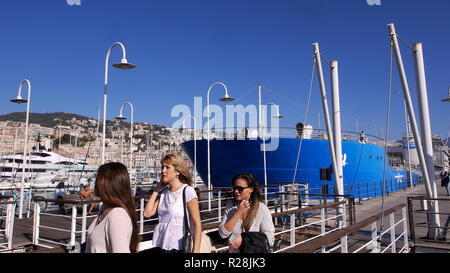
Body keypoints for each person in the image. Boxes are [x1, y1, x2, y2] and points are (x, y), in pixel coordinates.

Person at [144, 154, 202, 253]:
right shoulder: (163, 192)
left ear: (177, 171)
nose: (163, 171)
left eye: (167, 167)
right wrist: (157, 190)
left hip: (179, 247)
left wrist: (195, 250)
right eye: (162, 167)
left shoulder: (187, 191)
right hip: (162, 246)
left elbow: (197, 223)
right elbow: (147, 213)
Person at [85, 162, 139, 253]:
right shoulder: (105, 208)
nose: (95, 183)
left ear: (107, 183)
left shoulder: (117, 216)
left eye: (98, 178)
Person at [218, 173, 275, 253]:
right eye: (234, 188)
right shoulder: (230, 207)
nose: (236, 191)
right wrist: (238, 213)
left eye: (240, 188)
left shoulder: (261, 209)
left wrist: (244, 240)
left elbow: (270, 239)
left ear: (251, 189)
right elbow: (222, 234)